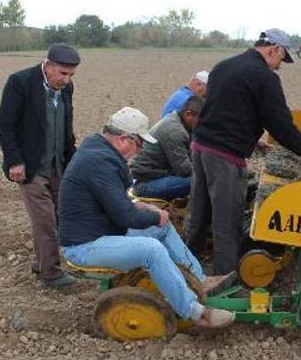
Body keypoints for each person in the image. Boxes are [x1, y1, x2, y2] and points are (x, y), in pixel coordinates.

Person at [58, 107, 235, 328]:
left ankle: (198, 280)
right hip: (84, 245)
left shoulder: (99, 153)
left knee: (163, 226)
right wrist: (154, 216)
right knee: (151, 249)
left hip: (102, 231)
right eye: (138, 144)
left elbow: (113, 202)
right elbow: (125, 217)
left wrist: (141, 206)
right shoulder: (100, 162)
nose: (139, 150)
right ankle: (196, 312)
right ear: (123, 139)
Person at [183, 28, 301, 275]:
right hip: (224, 155)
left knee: (199, 211)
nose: (280, 66)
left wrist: (253, 139)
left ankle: (186, 265)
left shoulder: (223, 66)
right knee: (228, 222)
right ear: (274, 49)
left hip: (200, 146)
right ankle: (224, 278)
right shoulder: (264, 78)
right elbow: (279, 124)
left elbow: (226, 109)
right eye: (282, 59)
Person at [0, 42, 81, 288]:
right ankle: (51, 274)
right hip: (30, 167)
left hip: (58, 165)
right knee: (44, 220)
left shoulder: (66, 89)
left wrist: (72, 158)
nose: (66, 80)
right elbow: (6, 126)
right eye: (62, 73)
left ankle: (41, 262)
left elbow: (66, 126)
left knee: (60, 216)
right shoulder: (20, 82)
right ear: (48, 65)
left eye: (71, 75)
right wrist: (14, 161)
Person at [130, 96, 204, 200]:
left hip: (155, 176)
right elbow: (184, 170)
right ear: (188, 114)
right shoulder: (175, 131)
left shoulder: (177, 120)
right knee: (201, 179)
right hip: (144, 184)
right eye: (201, 120)